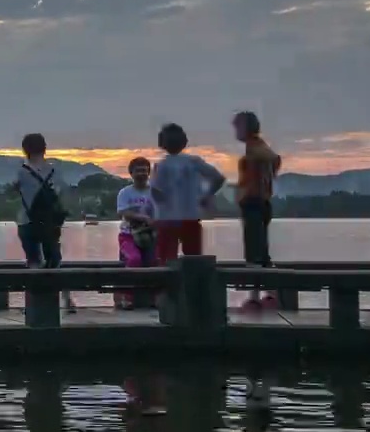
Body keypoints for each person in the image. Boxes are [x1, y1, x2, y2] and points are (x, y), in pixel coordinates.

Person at [14, 133, 76, 313]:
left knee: (33, 262)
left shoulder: (21, 172)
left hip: (27, 221)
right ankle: (67, 300)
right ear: (45, 148)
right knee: (55, 261)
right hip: (50, 221)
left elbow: (16, 188)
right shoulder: (55, 171)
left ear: (24, 150)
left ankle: (34, 304)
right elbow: (64, 192)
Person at [148, 123, 225, 263]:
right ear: (184, 142)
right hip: (191, 217)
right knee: (193, 259)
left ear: (161, 143)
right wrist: (206, 195)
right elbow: (218, 178)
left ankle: (169, 284)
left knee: (166, 260)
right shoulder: (194, 162)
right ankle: (194, 284)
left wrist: (154, 214)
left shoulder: (161, 166)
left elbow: (155, 192)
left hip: (167, 219)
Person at [232, 111, 282, 310]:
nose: (235, 131)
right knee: (259, 250)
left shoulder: (256, 147)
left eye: (237, 127)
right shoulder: (253, 147)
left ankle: (257, 297)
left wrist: (260, 183)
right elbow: (274, 160)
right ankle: (268, 293)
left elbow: (274, 158)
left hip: (255, 202)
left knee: (255, 252)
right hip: (256, 201)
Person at [115, 157, 156, 309]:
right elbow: (123, 212)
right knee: (133, 259)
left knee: (155, 262)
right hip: (128, 236)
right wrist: (143, 217)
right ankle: (127, 296)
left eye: (144, 170)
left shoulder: (154, 193)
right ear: (131, 173)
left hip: (150, 236)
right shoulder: (125, 193)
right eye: (138, 170)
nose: (142, 174)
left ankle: (154, 297)